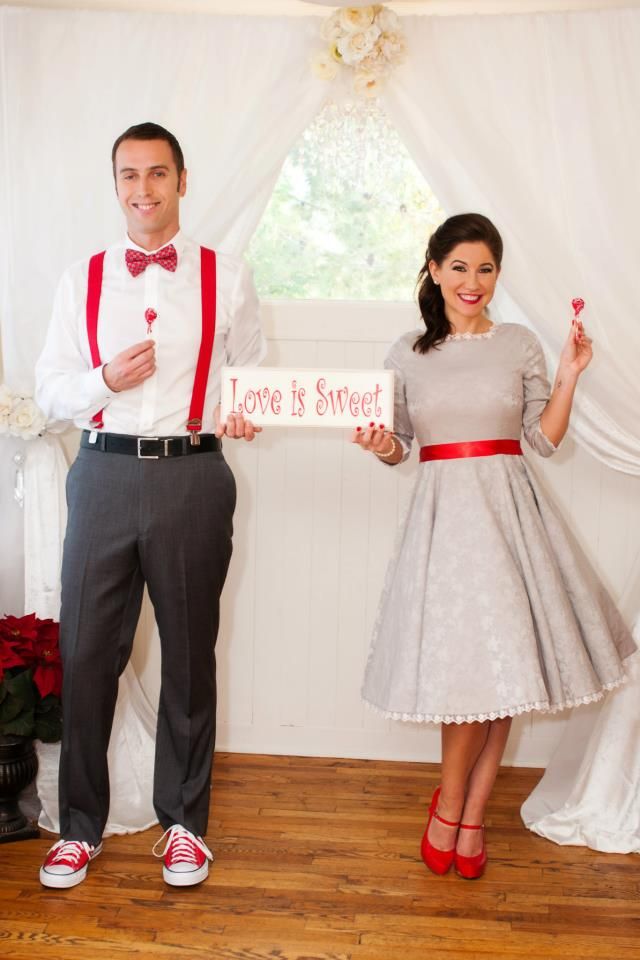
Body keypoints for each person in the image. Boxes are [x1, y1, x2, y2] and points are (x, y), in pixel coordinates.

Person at [354, 213, 635, 880]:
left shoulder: (518, 344)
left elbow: (542, 439)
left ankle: (465, 813)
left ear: (497, 275)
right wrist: (378, 444)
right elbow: (397, 447)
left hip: (511, 518)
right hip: (443, 521)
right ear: (433, 269)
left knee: (506, 673)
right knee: (468, 679)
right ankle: (451, 806)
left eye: (485, 269)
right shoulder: (405, 352)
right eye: (459, 267)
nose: (472, 282)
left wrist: (568, 374)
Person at [35, 122, 265, 889]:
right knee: (87, 655)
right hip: (100, 475)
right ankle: (78, 829)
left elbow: (253, 376)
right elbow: (51, 393)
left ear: (181, 181)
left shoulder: (228, 276)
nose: (144, 189)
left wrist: (244, 408)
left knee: (190, 655)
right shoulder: (82, 279)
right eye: (129, 175)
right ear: (116, 186)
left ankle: (185, 827)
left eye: (157, 174)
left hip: (195, 477)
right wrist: (104, 379)